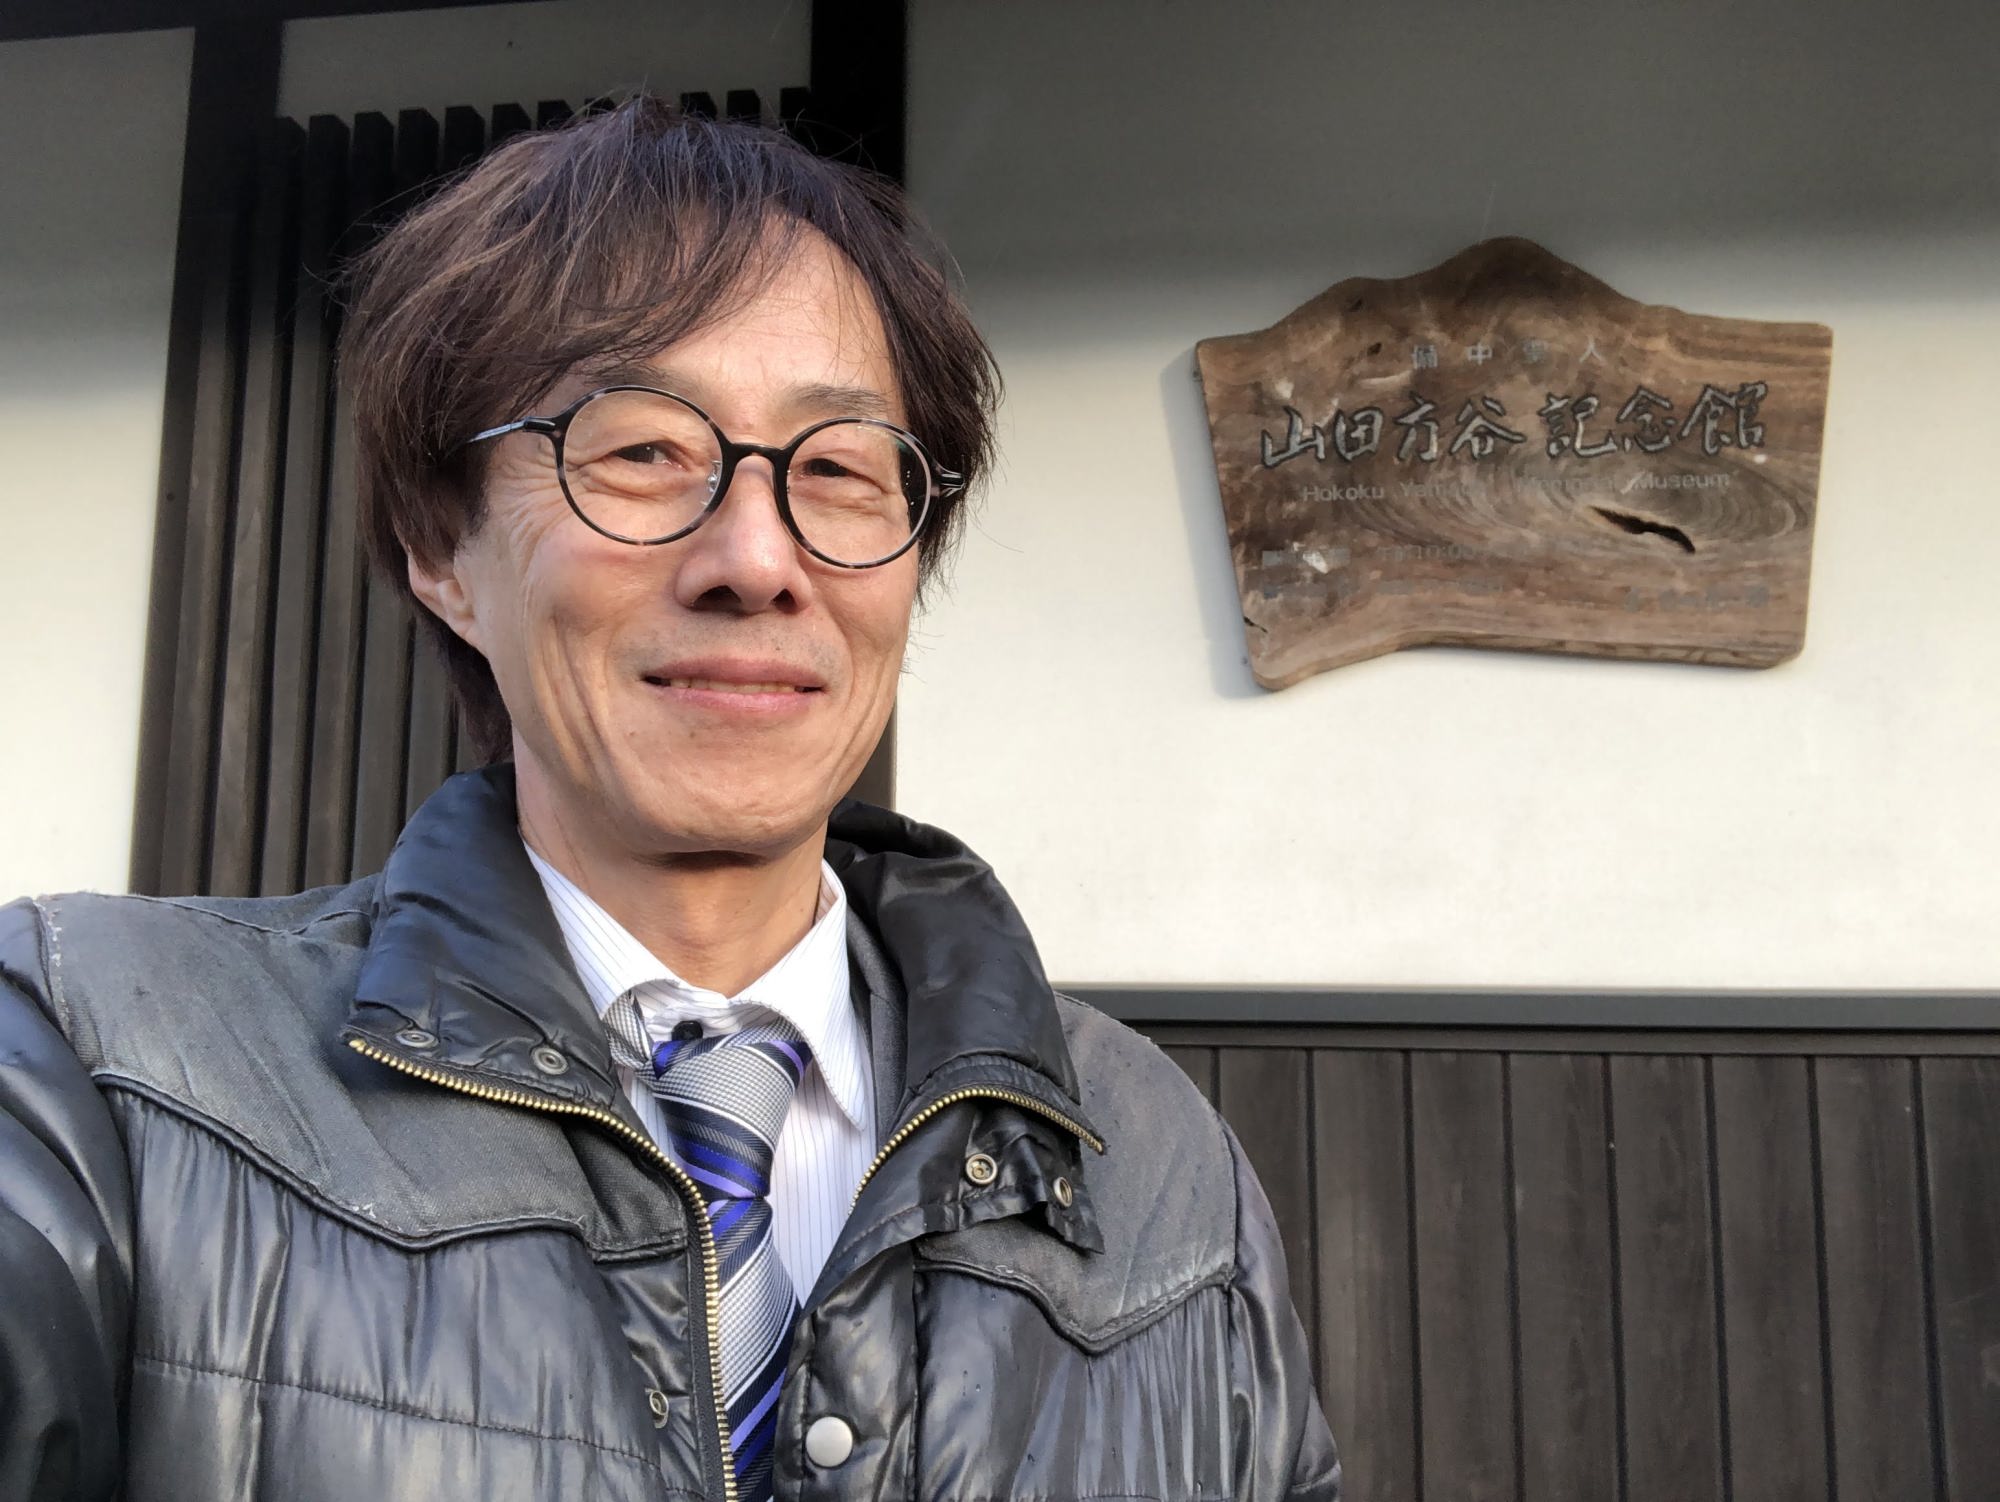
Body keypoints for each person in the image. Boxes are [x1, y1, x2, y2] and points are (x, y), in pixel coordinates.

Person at [0, 97, 1340, 1502]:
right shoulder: (101, 1071)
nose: (757, 559)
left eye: (838, 466)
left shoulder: (1158, 1171)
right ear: (440, 546)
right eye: (642, 450)